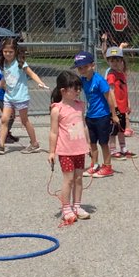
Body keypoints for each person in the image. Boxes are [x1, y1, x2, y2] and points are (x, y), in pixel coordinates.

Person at [0, 37, 48, 154]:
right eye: (5, 51)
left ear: (15, 51)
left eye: (10, 52)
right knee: (4, 119)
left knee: (24, 121)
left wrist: (40, 82)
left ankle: (34, 143)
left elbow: (31, 73)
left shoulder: (20, 63)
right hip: (9, 97)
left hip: (21, 97)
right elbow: (4, 79)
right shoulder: (4, 63)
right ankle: (1, 145)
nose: (8, 54)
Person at [48, 70, 93, 224]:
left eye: (79, 88)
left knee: (79, 178)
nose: (78, 91)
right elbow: (54, 132)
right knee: (68, 180)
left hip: (80, 149)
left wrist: (88, 144)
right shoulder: (57, 109)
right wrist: (52, 152)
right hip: (65, 150)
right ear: (63, 91)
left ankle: (77, 206)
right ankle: (66, 207)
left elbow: (84, 126)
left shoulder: (80, 106)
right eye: (75, 89)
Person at [74, 50, 119, 177]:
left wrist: (114, 114)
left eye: (85, 67)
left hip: (102, 116)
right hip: (90, 116)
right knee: (92, 142)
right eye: (80, 68)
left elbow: (109, 96)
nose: (82, 70)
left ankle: (108, 166)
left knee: (103, 142)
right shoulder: (83, 80)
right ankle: (94, 164)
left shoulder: (99, 80)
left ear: (92, 65)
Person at [103, 44, 135, 159]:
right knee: (113, 131)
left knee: (121, 129)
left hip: (122, 106)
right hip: (115, 107)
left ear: (121, 60)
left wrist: (128, 104)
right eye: (112, 60)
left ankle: (123, 148)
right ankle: (112, 150)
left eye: (117, 60)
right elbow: (110, 91)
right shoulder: (111, 75)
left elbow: (125, 90)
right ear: (108, 61)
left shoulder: (121, 74)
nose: (115, 63)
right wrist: (114, 106)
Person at [0, 58, 19, 146]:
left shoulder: (3, 66)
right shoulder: (2, 68)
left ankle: (7, 133)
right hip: (1, 95)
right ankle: (2, 135)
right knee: (9, 116)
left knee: (11, 116)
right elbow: (4, 84)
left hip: (4, 95)